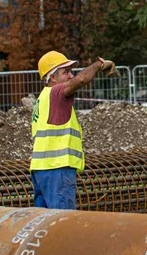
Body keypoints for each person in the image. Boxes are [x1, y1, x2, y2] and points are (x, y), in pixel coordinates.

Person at [30, 50, 114, 210]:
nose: (70, 76)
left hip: (41, 170)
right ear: (52, 77)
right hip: (57, 168)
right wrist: (99, 64)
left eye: (71, 71)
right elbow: (81, 79)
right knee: (62, 221)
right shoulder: (56, 93)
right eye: (65, 72)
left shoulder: (42, 99)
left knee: (44, 221)